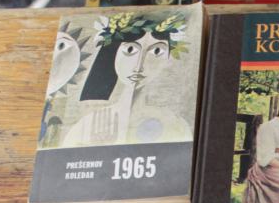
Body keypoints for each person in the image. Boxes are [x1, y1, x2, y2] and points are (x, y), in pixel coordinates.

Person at [61, 11, 191, 147]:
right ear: (113, 52)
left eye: (156, 51)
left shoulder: (175, 123)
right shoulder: (87, 125)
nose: (140, 65)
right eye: (130, 50)